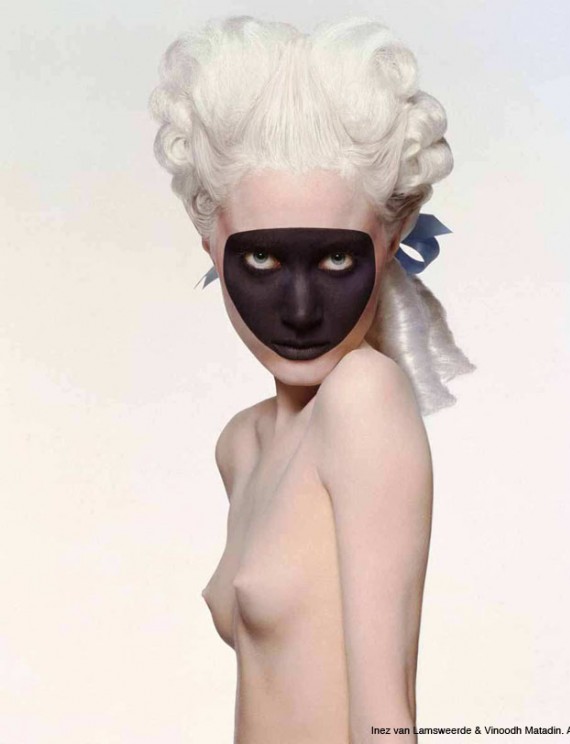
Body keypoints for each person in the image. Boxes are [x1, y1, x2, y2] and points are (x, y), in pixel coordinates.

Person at [149, 15, 474, 743]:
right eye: (263, 259)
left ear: (392, 240)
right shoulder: (242, 446)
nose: (300, 311)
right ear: (210, 241)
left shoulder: (363, 401)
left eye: (335, 259)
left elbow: (385, 721)